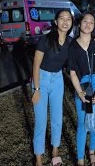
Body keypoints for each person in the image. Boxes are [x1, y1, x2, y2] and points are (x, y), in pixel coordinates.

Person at [31, 9, 73, 166]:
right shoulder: (45, 39)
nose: (65, 21)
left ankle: (55, 152)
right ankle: (39, 159)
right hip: (41, 79)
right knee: (41, 121)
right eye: (61, 18)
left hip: (57, 80)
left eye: (68, 19)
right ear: (56, 21)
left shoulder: (70, 42)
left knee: (57, 118)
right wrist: (36, 89)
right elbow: (35, 65)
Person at [68, 12, 95, 166]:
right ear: (80, 23)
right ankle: (80, 158)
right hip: (83, 85)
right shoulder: (73, 46)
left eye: (91, 22)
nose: (88, 24)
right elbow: (72, 73)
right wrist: (80, 93)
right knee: (84, 122)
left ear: (94, 27)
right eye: (85, 21)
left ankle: (91, 151)